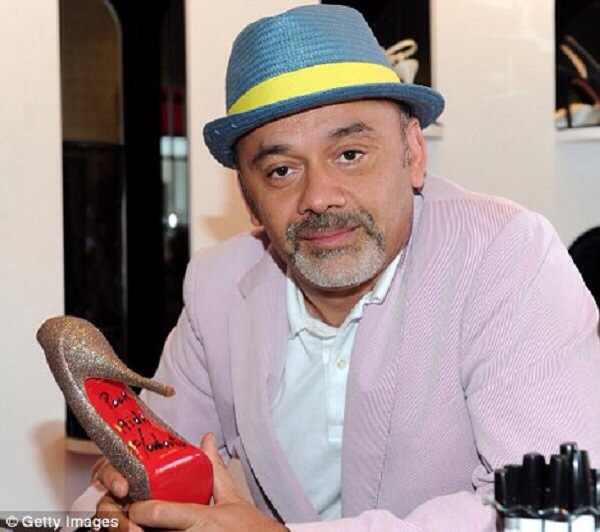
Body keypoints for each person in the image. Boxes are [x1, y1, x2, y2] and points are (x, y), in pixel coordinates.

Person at [80, 4, 600, 531]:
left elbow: (542, 506)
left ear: (413, 153)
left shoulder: (506, 255)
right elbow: (143, 464)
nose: (319, 196)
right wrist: (120, 511)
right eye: (281, 170)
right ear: (250, 201)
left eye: (349, 154)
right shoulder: (217, 285)